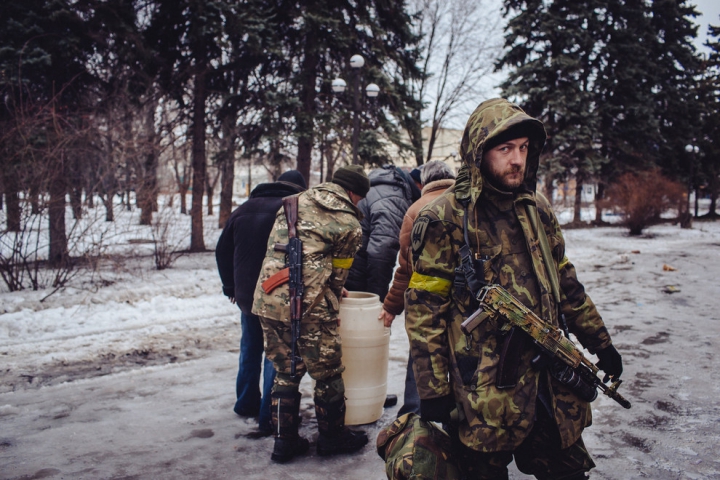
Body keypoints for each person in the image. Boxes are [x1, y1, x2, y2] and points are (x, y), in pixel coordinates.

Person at [404, 98, 624, 479]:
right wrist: (433, 388)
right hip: (483, 394)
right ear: (479, 152)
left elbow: (565, 281)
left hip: (549, 386)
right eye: (505, 149)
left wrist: (600, 341)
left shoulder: (536, 209)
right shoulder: (445, 217)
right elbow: (424, 308)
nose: (517, 159)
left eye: (523, 148)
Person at [252, 165, 371, 463]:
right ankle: (332, 437)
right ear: (353, 194)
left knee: (285, 370)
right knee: (328, 373)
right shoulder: (348, 223)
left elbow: (277, 249)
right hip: (312, 306)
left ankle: (284, 443)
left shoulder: (293, 202)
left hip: (269, 297)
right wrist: (333, 296)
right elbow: (339, 276)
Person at [215, 170, 307, 436]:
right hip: (276, 293)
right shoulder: (291, 211)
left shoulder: (242, 209)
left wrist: (230, 286)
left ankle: (245, 403)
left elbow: (222, 251)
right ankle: (270, 415)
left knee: (250, 347)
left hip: (245, 295)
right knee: (276, 355)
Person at [378, 160, 456, 418]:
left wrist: (390, 307)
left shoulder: (416, 210)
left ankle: (415, 418)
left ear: (423, 182)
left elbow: (405, 267)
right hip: (467, 306)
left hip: (425, 306)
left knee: (422, 355)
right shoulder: (470, 202)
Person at [344, 165, 421, 301]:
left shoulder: (384, 185)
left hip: (347, 269)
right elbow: (381, 251)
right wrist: (377, 298)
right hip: (358, 278)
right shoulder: (395, 197)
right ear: (420, 185)